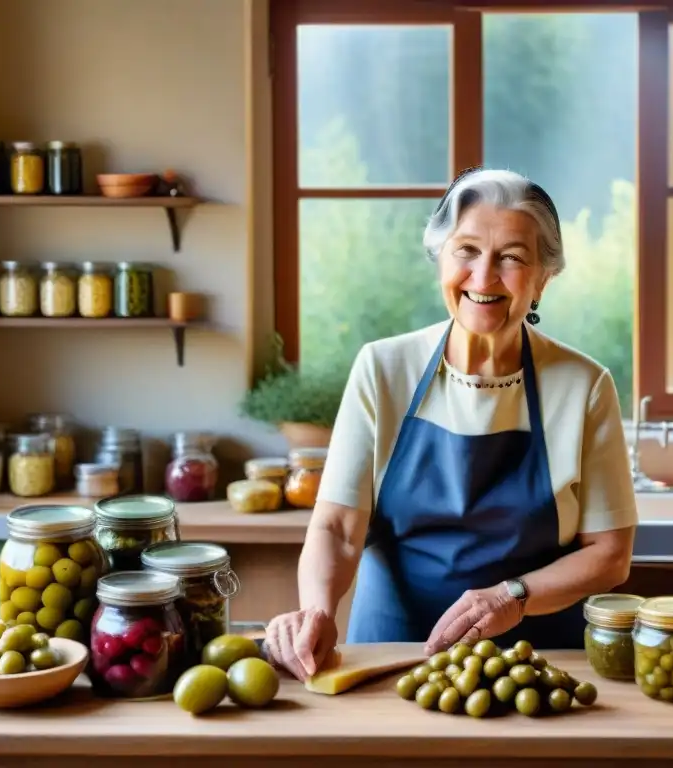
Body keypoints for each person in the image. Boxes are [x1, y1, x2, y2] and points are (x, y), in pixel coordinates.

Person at [264, 168, 638, 681]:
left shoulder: (584, 386)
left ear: (543, 278)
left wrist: (514, 596)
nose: (483, 278)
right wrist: (317, 611)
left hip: (535, 665)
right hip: (391, 656)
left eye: (511, 257)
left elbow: (611, 555)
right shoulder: (382, 369)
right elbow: (335, 527)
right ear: (441, 257)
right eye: (466, 250)